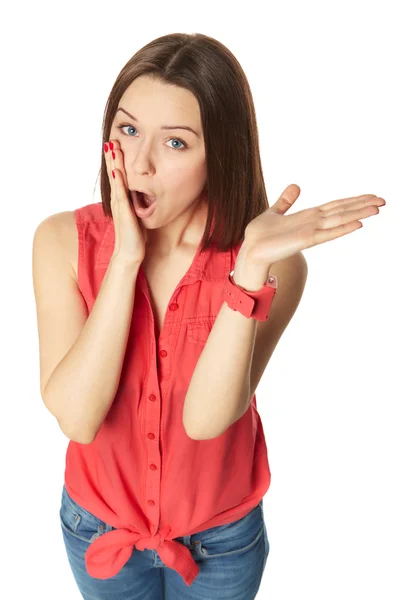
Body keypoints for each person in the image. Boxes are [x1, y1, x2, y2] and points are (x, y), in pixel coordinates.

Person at [32, 32, 385, 600]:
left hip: (222, 542)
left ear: (218, 154)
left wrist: (247, 273)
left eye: (175, 143)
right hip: (98, 527)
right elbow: (76, 417)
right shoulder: (59, 242)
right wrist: (125, 260)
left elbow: (205, 420)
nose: (140, 163)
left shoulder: (273, 267)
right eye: (127, 130)